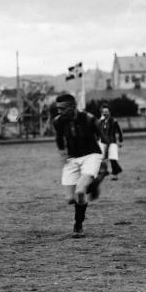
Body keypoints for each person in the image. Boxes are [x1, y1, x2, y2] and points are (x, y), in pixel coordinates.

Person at [52, 94, 104, 238]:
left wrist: (105, 161)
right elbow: (59, 140)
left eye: (62, 109)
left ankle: (78, 225)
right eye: (58, 109)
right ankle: (92, 184)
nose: (59, 112)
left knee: (80, 192)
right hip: (72, 159)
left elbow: (104, 138)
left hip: (91, 155)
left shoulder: (89, 119)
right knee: (70, 199)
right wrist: (63, 154)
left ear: (72, 107)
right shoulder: (57, 122)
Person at [98, 103, 124, 181]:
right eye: (103, 112)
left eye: (106, 111)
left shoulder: (114, 121)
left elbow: (119, 131)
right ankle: (103, 171)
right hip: (102, 142)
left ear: (109, 112)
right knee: (100, 158)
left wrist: (120, 141)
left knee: (113, 159)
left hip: (112, 142)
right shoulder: (100, 121)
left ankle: (115, 175)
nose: (105, 113)